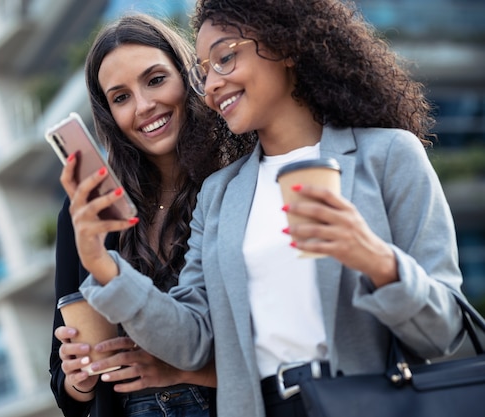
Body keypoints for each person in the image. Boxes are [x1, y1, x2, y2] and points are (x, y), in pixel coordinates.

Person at [61, 1, 467, 417]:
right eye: (204, 71)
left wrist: (376, 259)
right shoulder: (220, 194)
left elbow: (444, 331)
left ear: (286, 45)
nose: (213, 83)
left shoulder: (388, 156)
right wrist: (103, 267)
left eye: (225, 58)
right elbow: (192, 341)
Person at [49, 13, 256, 417]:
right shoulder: (90, 209)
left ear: (186, 77)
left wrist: (181, 369)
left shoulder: (238, 184)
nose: (144, 106)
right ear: (108, 114)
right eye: (121, 97)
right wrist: (80, 377)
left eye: (156, 80)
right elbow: (65, 388)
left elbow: (274, 344)